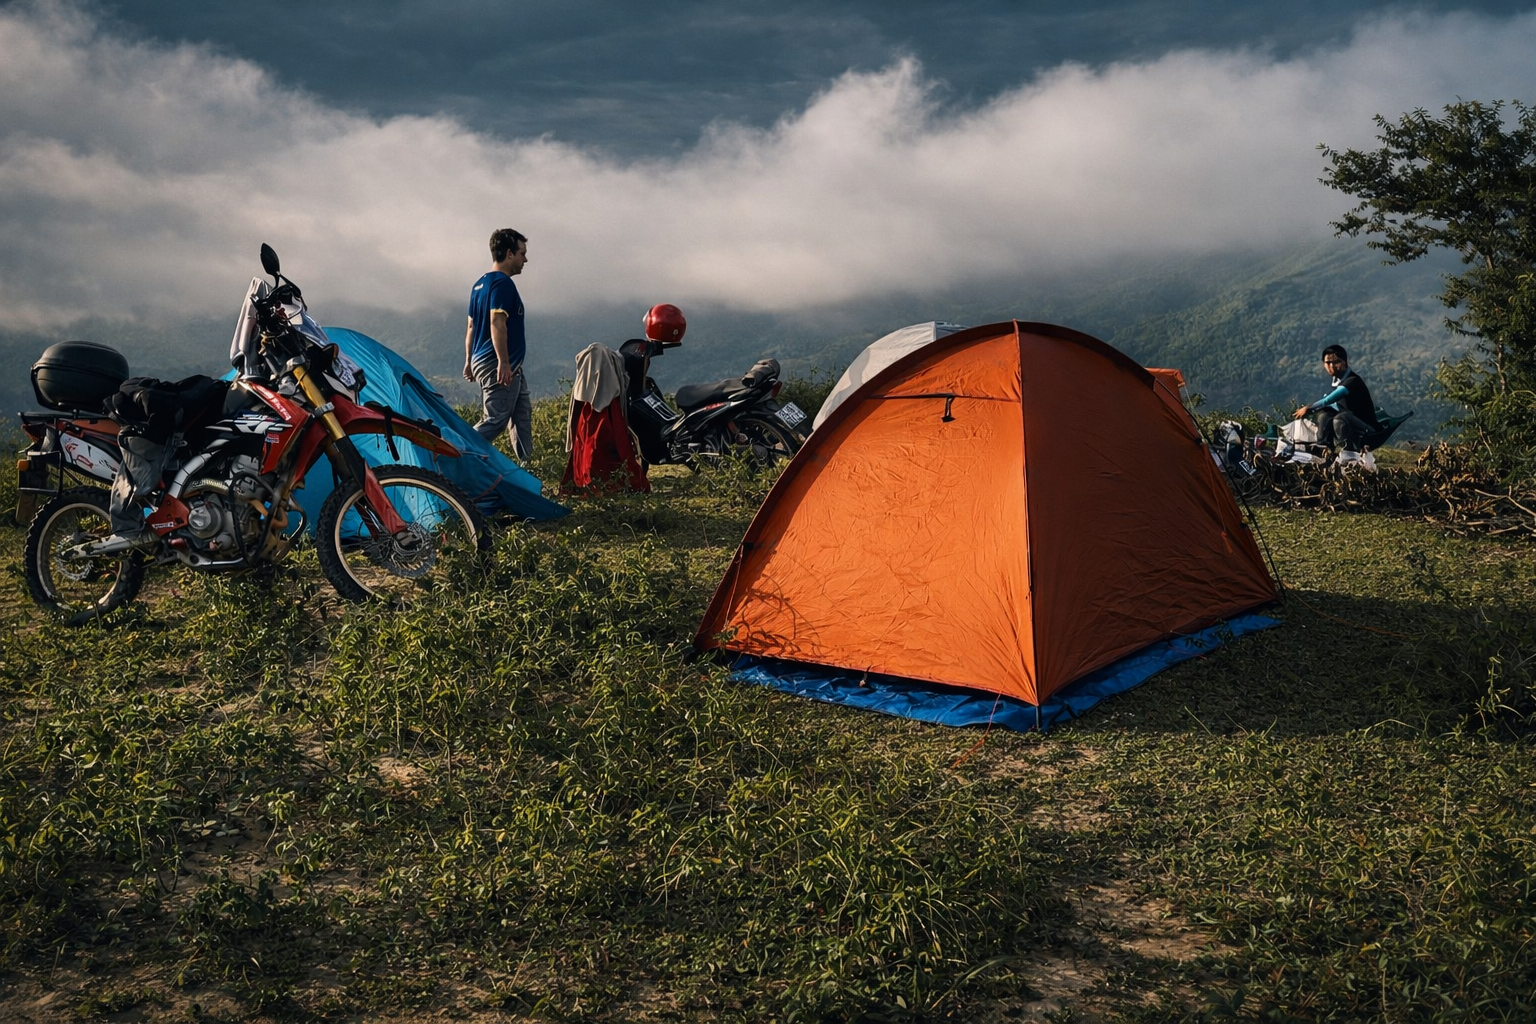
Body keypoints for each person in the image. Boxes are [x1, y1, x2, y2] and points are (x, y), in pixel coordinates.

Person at [464, 228, 533, 461]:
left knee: (521, 414)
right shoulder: (503, 284)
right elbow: (497, 320)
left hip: (495, 361)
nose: (525, 259)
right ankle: (456, 455)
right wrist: (503, 362)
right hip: (497, 361)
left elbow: (471, 327)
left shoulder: (478, 285)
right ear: (509, 253)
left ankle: (527, 467)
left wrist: (468, 361)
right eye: (522, 253)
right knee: (496, 419)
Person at [1293, 344, 1380, 454]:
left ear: (1344, 362)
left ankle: (1349, 454)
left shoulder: (1352, 381)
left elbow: (1329, 400)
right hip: (1352, 424)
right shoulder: (1337, 380)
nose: (1331, 366)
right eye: (1327, 363)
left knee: (1340, 418)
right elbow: (1332, 405)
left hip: (1367, 430)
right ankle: (1323, 450)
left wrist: (1310, 408)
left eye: (1335, 362)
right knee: (1325, 416)